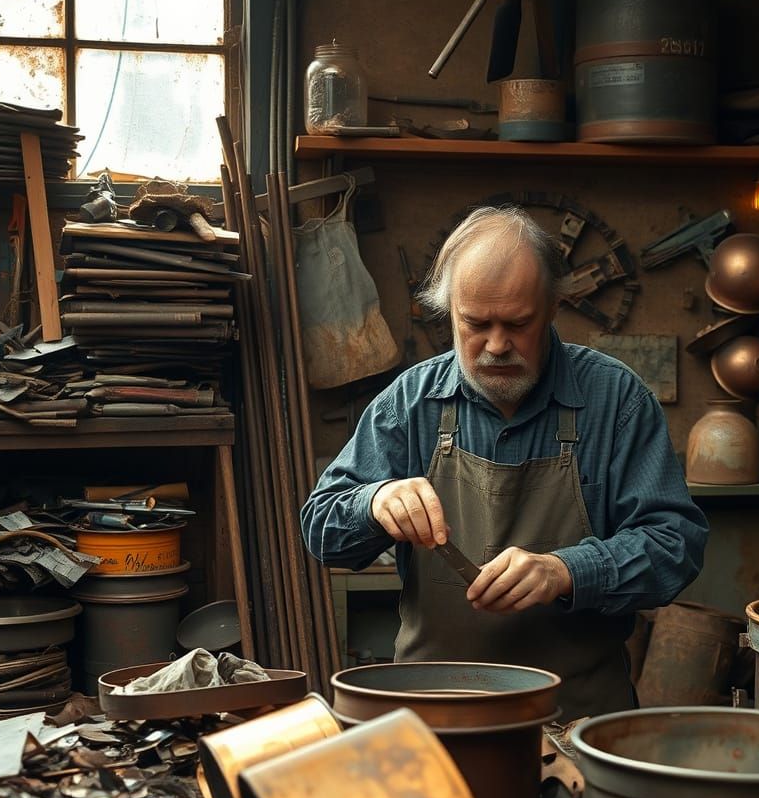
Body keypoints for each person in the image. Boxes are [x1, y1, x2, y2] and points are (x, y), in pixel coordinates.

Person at [301, 206, 708, 720]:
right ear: (448, 312)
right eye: (475, 324)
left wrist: (567, 569)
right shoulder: (411, 404)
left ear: (553, 307)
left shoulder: (616, 400)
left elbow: (676, 544)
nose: (496, 345)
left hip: (575, 718)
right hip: (433, 716)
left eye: (518, 323)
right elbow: (320, 530)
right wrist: (373, 502)